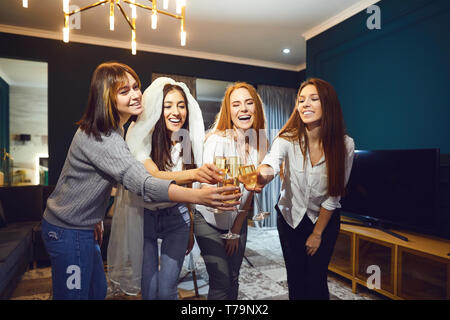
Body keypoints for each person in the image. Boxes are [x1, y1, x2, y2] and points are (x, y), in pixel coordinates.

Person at [41, 62, 240, 300]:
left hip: (83, 226)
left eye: (136, 87)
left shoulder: (115, 130)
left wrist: (94, 218)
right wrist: (198, 192)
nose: (136, 95)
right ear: (106, 98)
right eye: (124, 91)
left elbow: (89, 182)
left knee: (96, 291)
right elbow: (144, 182)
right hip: (68, 230)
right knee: (74, 295)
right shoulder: (106, 137)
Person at [108, 77, 222, 299]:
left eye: (181, 106)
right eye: (167, 106)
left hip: (177, 219)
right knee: (149, 289)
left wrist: (189, 228)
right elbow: (154, 177)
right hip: (144, 218)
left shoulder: (187, 141)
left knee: (168, 287)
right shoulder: (141, 138)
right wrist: (196, 173)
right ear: (156, 110)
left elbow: (187, 190)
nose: (175, 112)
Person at [252, 78, 355, 300]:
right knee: (296, 279)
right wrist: (261, 175)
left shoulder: (345, 145)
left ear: (328, 104)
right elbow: (270, 163)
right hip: (290, 217)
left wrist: (317, 233)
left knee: (317, 279)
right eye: (301, 100)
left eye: (313, 99)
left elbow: (334, 195)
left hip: (325, 219)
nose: (305, 104)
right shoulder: (287, 139)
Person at [194, 82, 268, 300]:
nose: (243, 109)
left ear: (256, 108)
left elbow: (250, 194)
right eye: (236, 104)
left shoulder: (260, 144)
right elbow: (205, 185)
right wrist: (218, 196)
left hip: (237, 220)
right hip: (207, 220)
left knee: (234, 278)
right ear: (229, 110)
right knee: (220, 281)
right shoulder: (217, 140)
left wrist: (235, 230)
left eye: (248, 103)